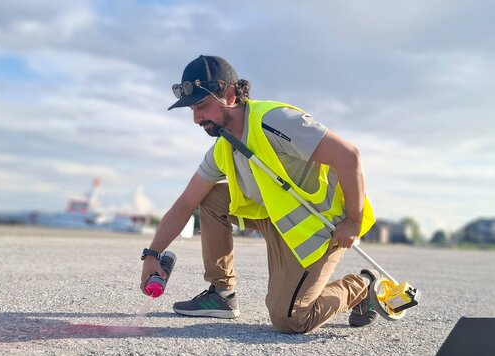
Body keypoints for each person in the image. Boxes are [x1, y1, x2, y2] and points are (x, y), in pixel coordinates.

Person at [139, 55, 382, 334]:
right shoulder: (223, 146)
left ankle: (362, 285)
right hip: (277, 220)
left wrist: (353, 221)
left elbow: (349, 156)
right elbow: (185, 204)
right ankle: (222, 293)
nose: (195, 118)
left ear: (231, 95)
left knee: (291, 319)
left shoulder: (275, 121)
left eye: (202, 106)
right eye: (192, 109)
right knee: (210, 198)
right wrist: (152, 254)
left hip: (319, 228)